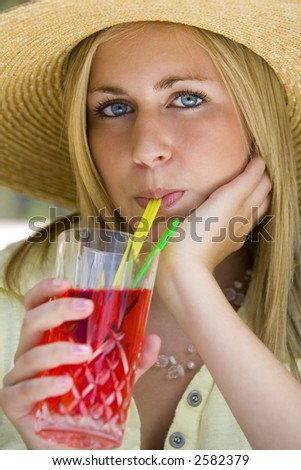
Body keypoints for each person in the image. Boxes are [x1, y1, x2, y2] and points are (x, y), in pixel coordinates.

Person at [0, 0, 301, 451]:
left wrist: (188, 278)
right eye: (115, 108)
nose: (146, 149)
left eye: (187, 99)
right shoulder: (10, 296)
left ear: (261, 125)